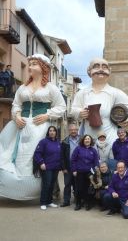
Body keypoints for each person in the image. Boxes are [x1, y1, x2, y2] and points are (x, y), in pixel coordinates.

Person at [0, 54, 66, 200]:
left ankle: (44, 191)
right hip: (21, 127)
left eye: (34, 64)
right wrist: (16, 117)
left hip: (40, 127)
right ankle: (17, 188)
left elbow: (61, 106)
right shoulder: (23, 87)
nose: (30, 67)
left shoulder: (51, 88)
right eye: (30, 64)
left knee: (36, 156)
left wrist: (47, 115)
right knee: (17, 155)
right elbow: (16, 104)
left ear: (43, 68)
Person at [71, 58, 128, 145]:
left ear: (109, 71)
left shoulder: (115, 92)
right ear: (89, 71)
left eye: (104, 67)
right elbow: (73, 109)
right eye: (96, 66)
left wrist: (125, 119)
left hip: (109, 136)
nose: (101, 69)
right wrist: (80, 113)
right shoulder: (82, 93)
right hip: (88, 138)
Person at [34, 126, 62, 210]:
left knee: (52, 185)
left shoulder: (58, 142)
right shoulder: (43, 142)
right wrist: (41, 163)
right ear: (48, 132)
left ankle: (49, 201)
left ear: (56, 133)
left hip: (55, 167)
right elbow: (37, 153)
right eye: (50, 131)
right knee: (47, 184)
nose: (52, 132)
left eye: (54, 131)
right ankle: (43, 202)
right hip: (46, 167)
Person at [71, 134, 100, 211]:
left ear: (91, 141)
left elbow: (96, 161)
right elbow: (73, 160)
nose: (87, 140)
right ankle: (78, 203)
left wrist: (94, 170)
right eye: (86, 139)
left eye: (88, 139)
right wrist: (74, 170)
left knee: (88, 189)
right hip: (79, 172)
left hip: (89, 173)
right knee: (79, 188)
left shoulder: (93, 150)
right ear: (83, 140)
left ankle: (88, 203)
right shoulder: (78, 149)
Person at [60, 123, 80, 207]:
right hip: (68, 167)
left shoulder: (82, 140)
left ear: (77, 130)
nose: (73, 131)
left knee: (77, 184)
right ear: (69, 131)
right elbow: (62, 156)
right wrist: (63, 168)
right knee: (67, 184)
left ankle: (77, 199)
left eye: (75, 129)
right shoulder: (65, 141)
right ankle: (66, 201)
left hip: (79, 167)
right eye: (71, 130)